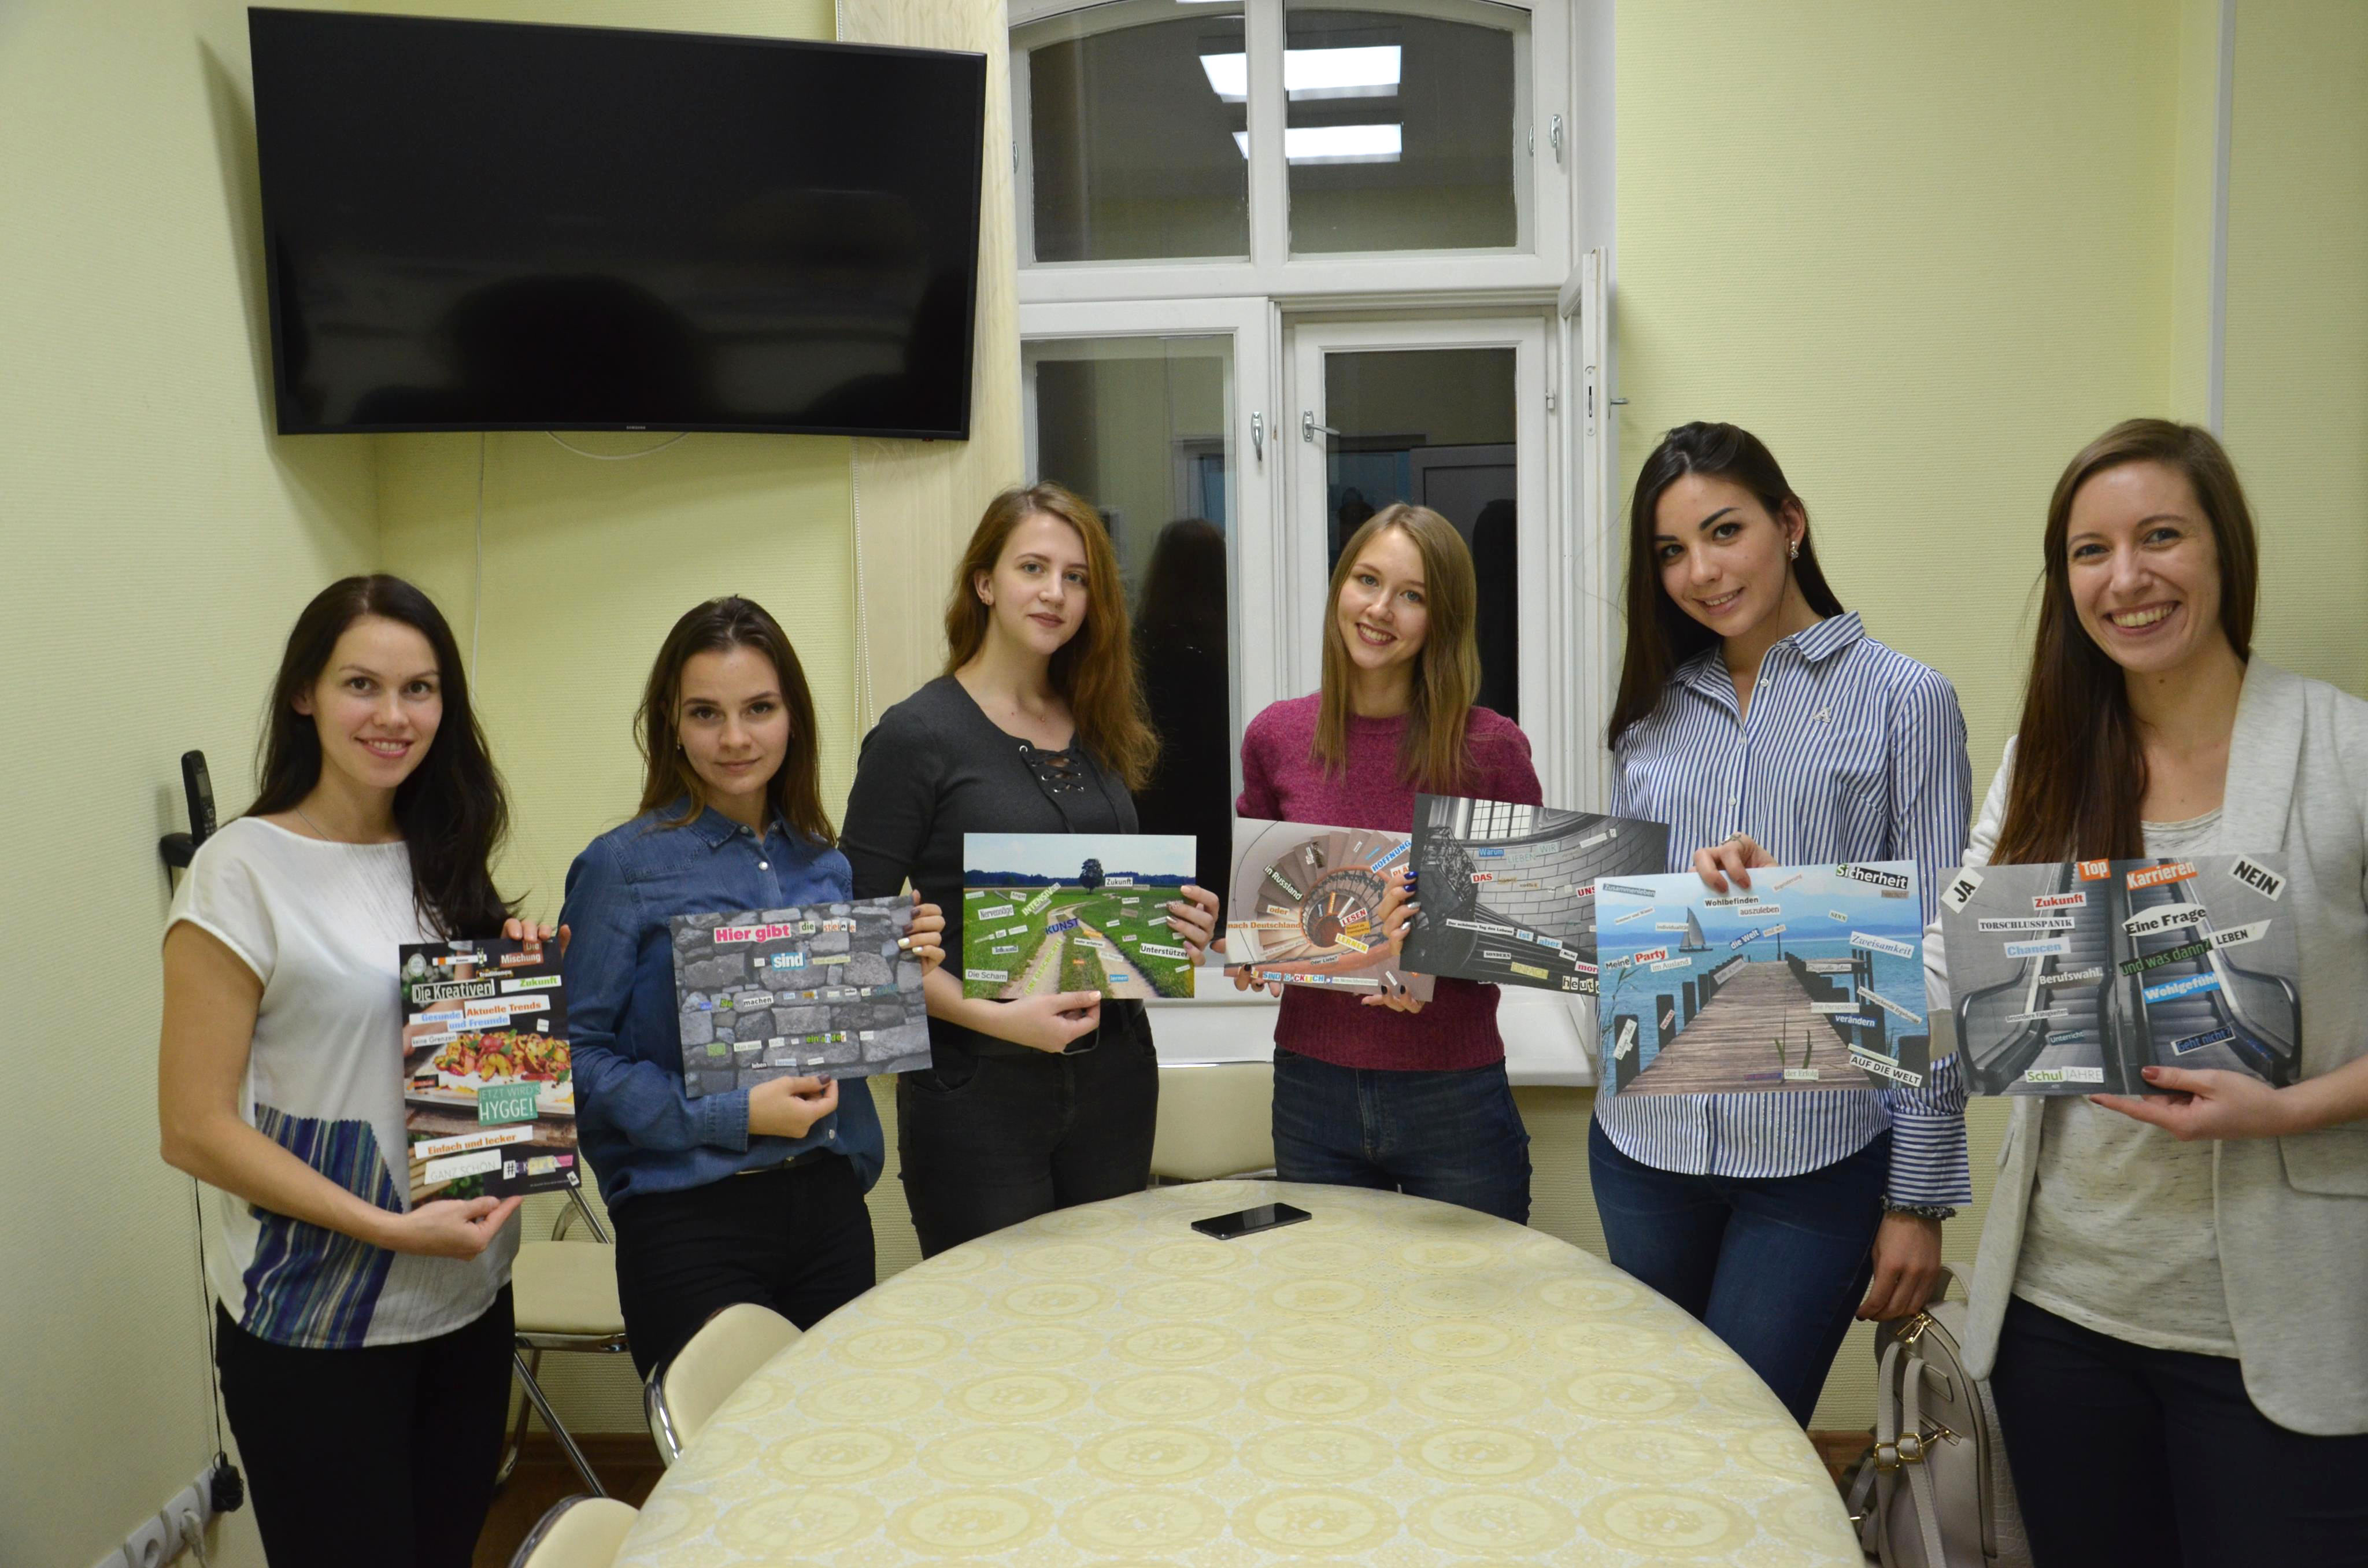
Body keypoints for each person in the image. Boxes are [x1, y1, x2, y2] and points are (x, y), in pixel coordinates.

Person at [1926, 419, 2368, 1566]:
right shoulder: (2044, 760)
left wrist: (2287, 1108)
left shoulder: (2343, 751)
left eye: (2158, 537)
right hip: (2060, 1322)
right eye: (2088, 550)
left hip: (2273, 1329)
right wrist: (1776, 923)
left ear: (2222, 553)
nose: (2124, 578)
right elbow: (1944, 975)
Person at [1589, 421, 1972, 1426]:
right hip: (1644, 1143)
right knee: (1653, 1434)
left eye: (1725, 532)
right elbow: (1627, 944)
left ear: (1790, 524)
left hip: (1814, 1158)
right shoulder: (1648, 715)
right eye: (1671, 551)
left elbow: (1934, 950)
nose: (1701, 572)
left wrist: (1918, 1194)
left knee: (1749, 1447)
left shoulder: (1905, 701)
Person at [159, 575, 546, 1567]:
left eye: (420, 689)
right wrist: (387, 1225)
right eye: (361, 684)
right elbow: (193, 1127)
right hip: (316, 1322)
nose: (393, 715)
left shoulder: (444, 852)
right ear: (305, 694)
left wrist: (521, 997)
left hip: (465, 1301)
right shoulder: (238, 871)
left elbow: (452, 1079)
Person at [560, 597, 944, 1377]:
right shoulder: (621, 867)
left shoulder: (824, 864)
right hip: (690, 1219)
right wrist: (734, 1113)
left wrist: (898, 975)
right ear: (671, 721)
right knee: (714, 1476)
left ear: (793, 717)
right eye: (706, 713)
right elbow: (574, 1059)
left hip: (830, 1202)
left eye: (759, 709)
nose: (734, 738)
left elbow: (835, 1040)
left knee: (834, 1451)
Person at [840, 483, 1220, 1257]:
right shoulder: (917, 736)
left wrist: (1178, 930)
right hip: (978, 1092)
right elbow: (850, 948)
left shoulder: (1099, 720)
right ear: (985, 582)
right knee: (998, 1339)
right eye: (1033, 568)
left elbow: (1107, 906)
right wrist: (997, 1018)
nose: (1055, 593)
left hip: (1116, 1078)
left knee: (1107, 1322)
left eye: (1076, 577)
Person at [1231, 502, 1541, 1223]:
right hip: (1312, 1088)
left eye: (1413, 595)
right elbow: (1261, 906)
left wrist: (1440, 950)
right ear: (1339, 585)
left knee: (1470, 1323)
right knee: (1330, 1318)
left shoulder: (1490, 750)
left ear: (1444, 618)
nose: (1379, 609)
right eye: (1366, 580)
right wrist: (1252, 950)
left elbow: (1530, 931)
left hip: (1453, 1090)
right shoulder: (1276, 737)